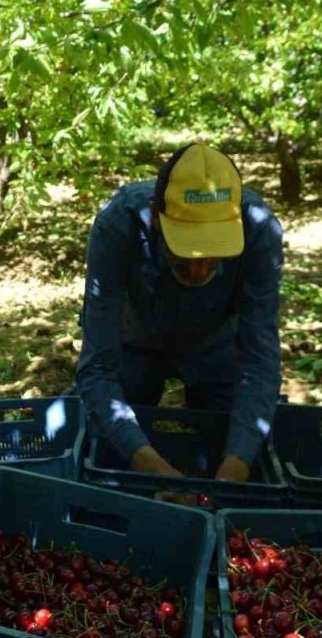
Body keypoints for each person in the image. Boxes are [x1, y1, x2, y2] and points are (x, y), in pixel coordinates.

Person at [75, 143, 283, 483]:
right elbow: (97, 366)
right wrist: (150, 467)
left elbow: (260, 360)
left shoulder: (258, 229)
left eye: (214, 253)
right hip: (135, 341)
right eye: (186, 252)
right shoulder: (119, 224)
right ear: (156, 217)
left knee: (242, 435)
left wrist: (235, 468)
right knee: (98, 435)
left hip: (217, 344)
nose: (199, 270)